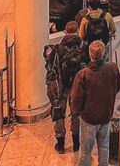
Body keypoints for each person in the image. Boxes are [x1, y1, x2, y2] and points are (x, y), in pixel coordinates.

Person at [70, 40, 120, 166]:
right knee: (104, 146)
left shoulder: (83, 74)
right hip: (106, 114)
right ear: (104, 53)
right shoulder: (112, 68)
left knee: (85, 150)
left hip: (89, 117)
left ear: (89, 54)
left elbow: (76, 98)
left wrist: (76, 112)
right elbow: (117, 87)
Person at [47, 21, 85, 153]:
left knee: (59, 114)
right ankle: (76, 143)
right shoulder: (82, 46)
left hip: (61, 87)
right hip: (77, 86)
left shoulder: (58, 48)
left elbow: (49, 64)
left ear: (65, 32)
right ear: (78, 30)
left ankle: (61, 144)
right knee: (75, 114)